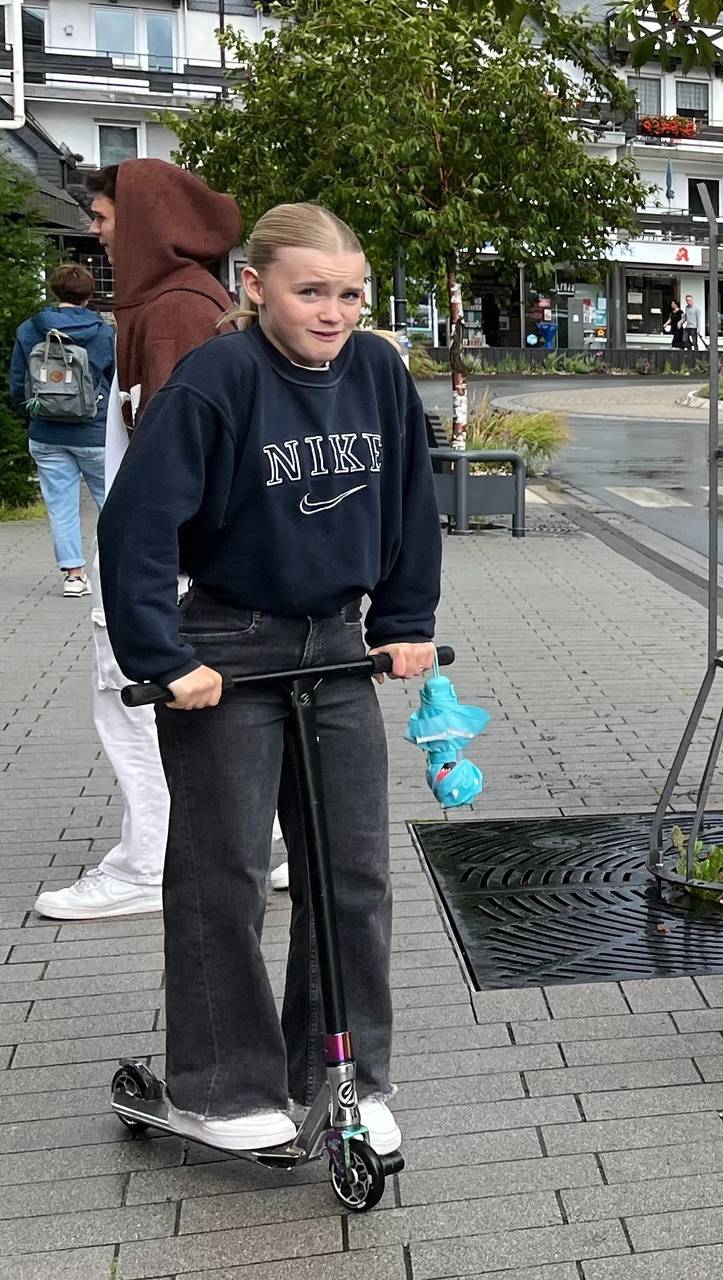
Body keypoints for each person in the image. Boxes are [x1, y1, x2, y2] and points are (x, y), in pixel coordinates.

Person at [98, 202, 441, 1152]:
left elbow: (412, 494)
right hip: (231, 646)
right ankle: (221, 1087)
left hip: (337, 643)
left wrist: (405, 621)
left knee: (353, 871)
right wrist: (165, 660)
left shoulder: (376, 371)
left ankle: (345, 1079)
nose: (334, 311)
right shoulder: (218, 379)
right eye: (312, 291)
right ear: (255, 288)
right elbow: (136, 525)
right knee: (226, 871)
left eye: (350, 293)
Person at [34, 160, 261, 922]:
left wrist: (153, 580)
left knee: (131, 703)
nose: (95, 235)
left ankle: (149, 863)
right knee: (199, 709)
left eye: (103, 219)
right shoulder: (188, 301)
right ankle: (242, 845)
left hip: (158, 559)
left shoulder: (169, 314)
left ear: (144, 223)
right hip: (174, 557)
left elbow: (177, 461)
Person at [14, 263, 116, 597]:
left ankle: (74, 575)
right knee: (111, 502)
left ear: (54, 291)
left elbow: (18, 384)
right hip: (95, 433)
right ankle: (114, 569)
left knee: (60, 505)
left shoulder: (30, 329)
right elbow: (116, 381)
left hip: (46, 433)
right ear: (89, 295)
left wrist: (34, 414)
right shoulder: (104, 332)